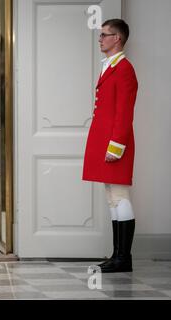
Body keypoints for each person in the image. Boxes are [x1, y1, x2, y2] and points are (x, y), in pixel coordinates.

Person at [83, 19, 138, 273]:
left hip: (117, 143)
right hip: (106, 141)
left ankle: (123, 258)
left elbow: (125, 112)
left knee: (120, 196)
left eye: (105, 35)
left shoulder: (124, 68)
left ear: (117, 38)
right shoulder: (111, 66)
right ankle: (117, 255)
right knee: (112, 197)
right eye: (100, 34)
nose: (100, 38)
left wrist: (116, 145)